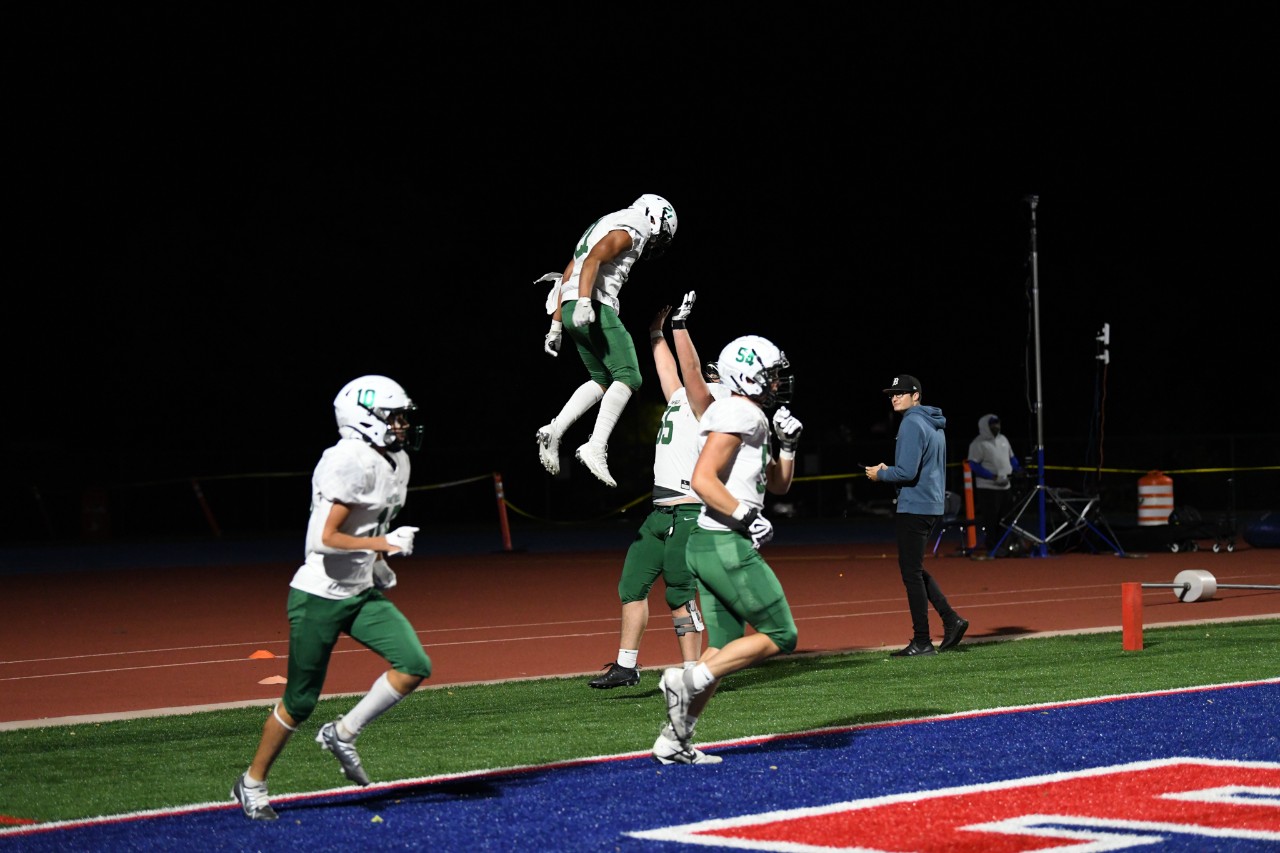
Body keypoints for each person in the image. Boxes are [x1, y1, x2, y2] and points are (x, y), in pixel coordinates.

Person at [231, 375, 431, 821]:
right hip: (318, 595)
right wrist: (387, 547)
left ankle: (343, 732)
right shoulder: (347, 460)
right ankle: (251, 783)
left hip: (359, 593)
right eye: (393, 416)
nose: (401, 425)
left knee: (414, 664)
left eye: (403, 417)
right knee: (300, 701)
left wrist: (379, 565)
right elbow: (322, 539)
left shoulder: (396, 462)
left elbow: (370, 527)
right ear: (363, 418)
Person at [589, 293, 729, 753]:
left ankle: (693, 676)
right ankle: (627, 665)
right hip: (659, 510)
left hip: (689, 509)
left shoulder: (713, 406)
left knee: (678, 593)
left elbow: (686, 372)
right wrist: (654, 332)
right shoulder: (681, 400)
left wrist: (681, 329)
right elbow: (668, 370)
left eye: (705, 375)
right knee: (631, 584)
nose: (696, 378)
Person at [657, 334, 803, 763]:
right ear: (748, 375)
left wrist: (789, 448)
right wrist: (746, 516)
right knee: (782, 635)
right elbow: (703, 479)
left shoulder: (748, 413)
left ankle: (674, 738)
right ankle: (685, 682)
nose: (777, 382)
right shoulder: (741, 412)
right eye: (771, 374)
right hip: (724, 540)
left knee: (721, 648)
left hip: (708, 541)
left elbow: (776, 484)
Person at [535, 194, 678, 488]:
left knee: (601, 378)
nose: (656, 242)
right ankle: (595, 445)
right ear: (653, 217)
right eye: (661, 233)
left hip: (572, 303)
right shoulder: (635, 224)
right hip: (593, 303)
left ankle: (555, 429)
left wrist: (556, 326)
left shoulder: (607, 220)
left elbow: (569, 270)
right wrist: (587, 302)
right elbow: (594, 258)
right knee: (630, 376)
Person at [866, 374, 969, 657]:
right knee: (914, 568)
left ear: (916, 396)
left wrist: (881, 474)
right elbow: (920, 466)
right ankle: (951, 620)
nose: (894, 397)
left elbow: (907, 473)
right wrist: (893, 469)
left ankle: (923, 640)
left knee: (911, 572)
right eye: (892, 393)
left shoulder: (911, 422)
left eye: (901, 392)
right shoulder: (932, 422)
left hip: (914, 506)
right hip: (932, 504)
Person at [967, 413, 1023, 554]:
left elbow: (1012, 458)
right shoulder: (978, 443)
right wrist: (992, 477)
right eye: (992, 424)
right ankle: (992, 546)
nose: (996, 427)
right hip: (988, 488)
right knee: (991, 518)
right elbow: (974, 465)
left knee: (1007, 517)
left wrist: (1018, 469)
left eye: (997, 423)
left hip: (1006, 486)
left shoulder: (1003, 439)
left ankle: (1005, 544)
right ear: (985, 426)